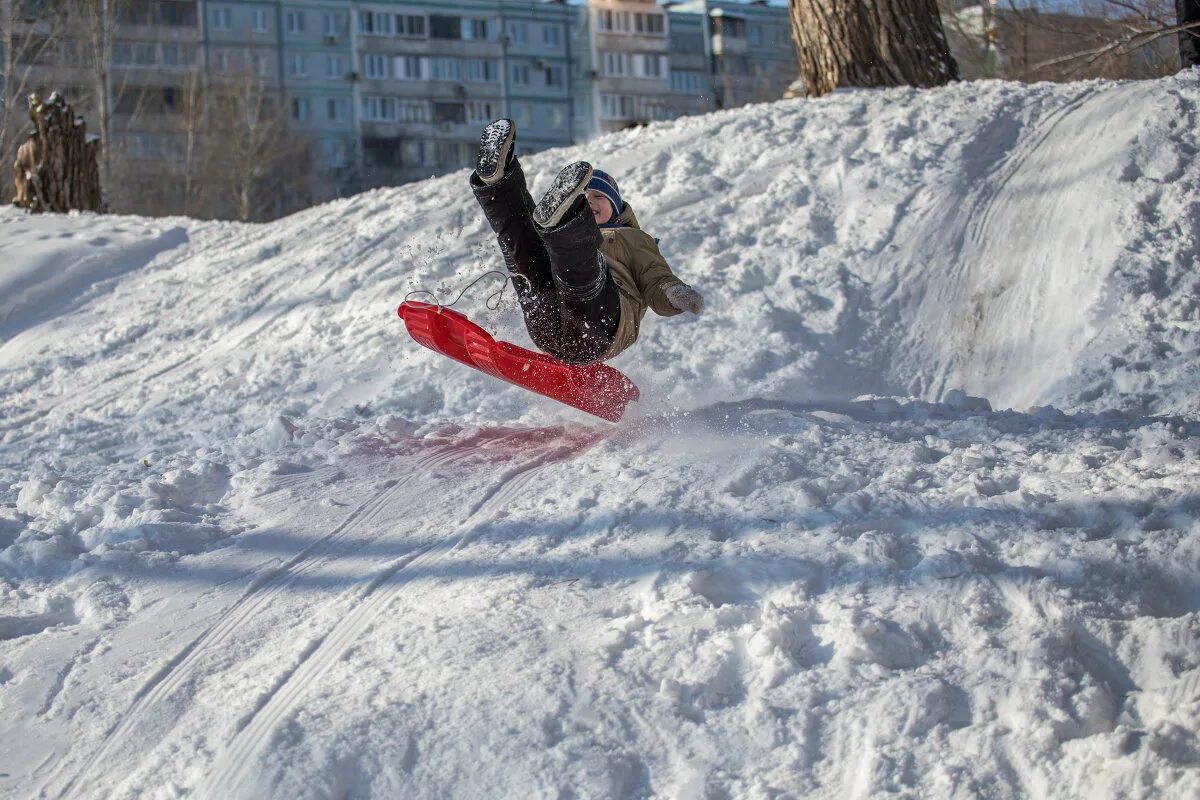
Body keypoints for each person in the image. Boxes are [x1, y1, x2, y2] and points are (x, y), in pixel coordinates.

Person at [470, 119, 703, 366]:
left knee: (579, 261)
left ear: (615, 208)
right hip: (546, 325)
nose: (590, 201)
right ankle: (498, 181)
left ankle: (565, 222)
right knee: (525, 244)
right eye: (581, 197)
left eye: (598, 196)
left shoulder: (633, 238)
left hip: (600, 325)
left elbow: (655, 276)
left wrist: (674, 293)